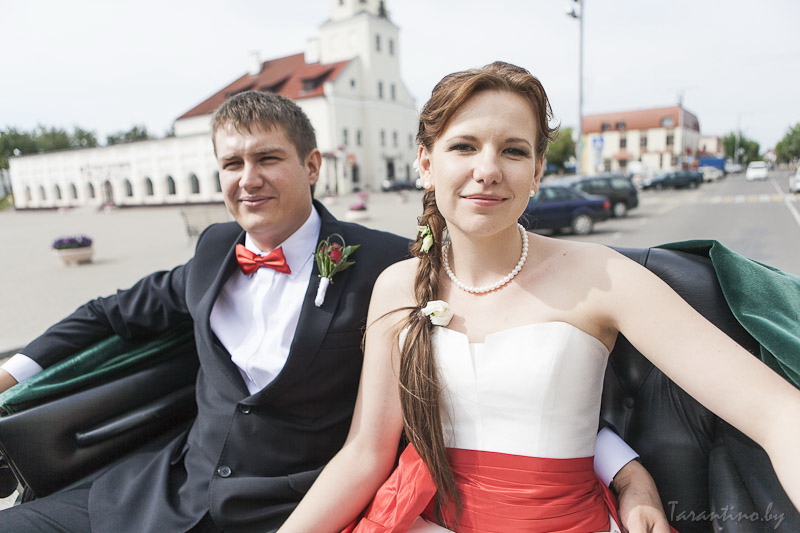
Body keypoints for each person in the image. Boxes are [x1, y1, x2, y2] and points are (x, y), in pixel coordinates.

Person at [0, 90, 660, 532]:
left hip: (300, 507)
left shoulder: (390, 266)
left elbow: (513, 369)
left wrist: (622, 469)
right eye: (232, 163)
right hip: (168, 494)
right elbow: (109, 313)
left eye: (268, 158)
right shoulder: (211, 252)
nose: (248, 178)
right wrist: (11, 373)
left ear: (312, 165)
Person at [277, 62, 800, 533]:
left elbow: (778, 413)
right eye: (464, 146)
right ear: (426, 164)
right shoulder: (397, 286)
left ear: (538, 170)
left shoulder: (605, 276)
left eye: (513, 150)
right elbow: (365, 454)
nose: (488, 169)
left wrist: (630, 477)